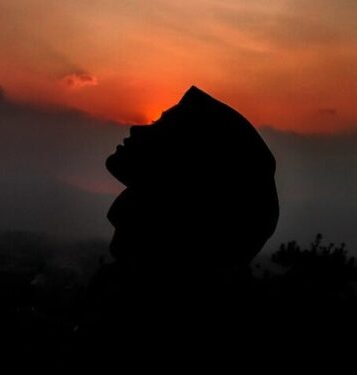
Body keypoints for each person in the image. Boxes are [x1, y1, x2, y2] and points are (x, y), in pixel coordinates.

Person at [77, 86, 279, 362]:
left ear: (184, 166)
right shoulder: (143, 282)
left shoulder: (146, 300)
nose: (136, 129)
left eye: (159, 126)